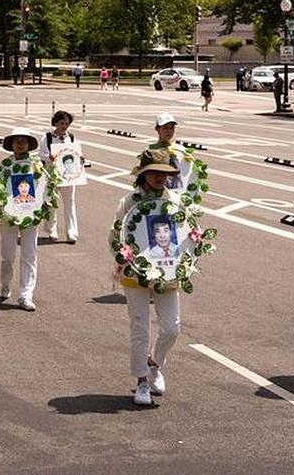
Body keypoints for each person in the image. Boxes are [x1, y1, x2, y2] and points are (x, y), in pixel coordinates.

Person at [109, 149, 183, 406]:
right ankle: (141, 381)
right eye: (154, 172)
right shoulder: (129, 202)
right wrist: (125, 257)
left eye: (164, 173)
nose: (160, 177)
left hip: (167, 273)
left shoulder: (175, 201)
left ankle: (154, 364)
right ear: (143, 174)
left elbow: (184, 233)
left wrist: (192, 248)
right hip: (136, 275)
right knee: (139, 328)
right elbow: (115, 236)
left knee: (172, 328)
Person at [0, 127, 44, 311]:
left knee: (29, 255)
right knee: (8, 255)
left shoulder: (37, 165)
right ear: (12, 144)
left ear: (29, 144)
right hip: (9, 215)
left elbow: (46, 186)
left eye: (24, 141)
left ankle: (26, 295)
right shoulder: (5, 166)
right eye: (17, 141)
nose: (21, 144)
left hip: (31, 215)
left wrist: (44, 204)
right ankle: (5, 284)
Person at [39, 110, 79, 244]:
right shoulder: (47, 138)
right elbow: (41, 155)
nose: (64, 126)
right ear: (55, 123)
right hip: (51, 174)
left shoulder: (71, 137)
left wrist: (80, 158)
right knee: (51, 202)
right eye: (62, 123)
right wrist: (48, 157)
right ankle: (52, 229)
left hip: (68, 175)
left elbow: (76, 153)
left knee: (70, 202)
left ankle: (71, 232)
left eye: (67, 124)